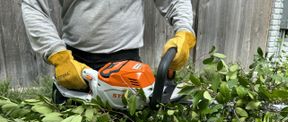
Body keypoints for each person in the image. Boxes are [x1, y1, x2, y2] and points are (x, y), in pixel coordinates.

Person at [21, 0, 196, 103]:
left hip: (128, 67)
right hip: (74, 67)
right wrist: (57, 55)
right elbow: (33, 5)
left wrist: (184, 32)